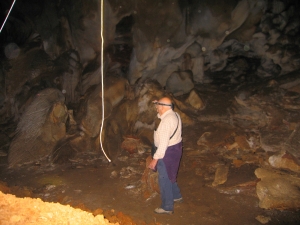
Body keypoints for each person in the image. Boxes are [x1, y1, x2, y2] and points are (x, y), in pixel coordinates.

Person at [148, 97, 183, 214]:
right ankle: (176, 195)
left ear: (163, 107)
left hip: (167, 152)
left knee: (164, 179)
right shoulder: (174, 115)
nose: (156, 108)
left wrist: (154, 160)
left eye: (157, 106)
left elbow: (163, 145)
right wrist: (158, 102)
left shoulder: (166, 123)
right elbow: (161, 114)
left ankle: (167, 206)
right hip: (175, 149)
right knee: (170, 173)